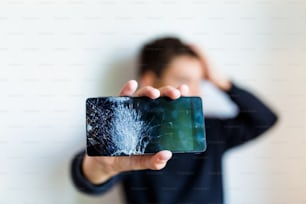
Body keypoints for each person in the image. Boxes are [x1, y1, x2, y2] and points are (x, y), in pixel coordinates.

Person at [71, 37, 278, 204]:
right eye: (184, 80)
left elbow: (264, 118)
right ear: (149, 80)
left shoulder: (211, 131)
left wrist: (220, 80)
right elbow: (86, 179)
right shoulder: (129, 136)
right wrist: (103, 168)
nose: (195, 92)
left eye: (201, 82)